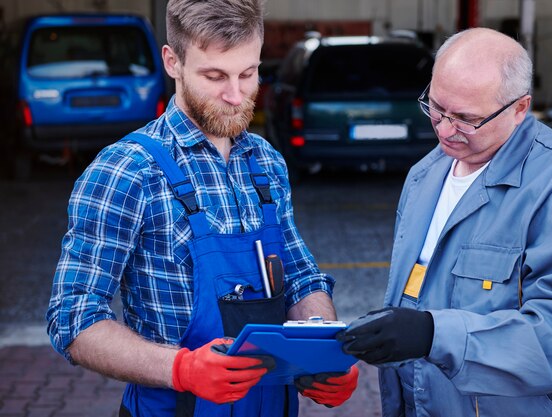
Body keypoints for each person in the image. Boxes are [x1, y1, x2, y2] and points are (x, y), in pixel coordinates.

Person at [46, 1, 358, 416]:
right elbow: (73, 317)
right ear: (172, 62)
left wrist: (323, 351)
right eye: (215, 76)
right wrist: (183, 369)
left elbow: (299, 277)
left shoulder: (266, 161)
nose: (235, 95)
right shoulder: (126, 171)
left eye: (248, 74)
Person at [337, 27, 552, 417]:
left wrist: (434, 335)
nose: (445, 130)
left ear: (520, 108)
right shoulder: (425, 174)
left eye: (467, 119)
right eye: (435, 107)